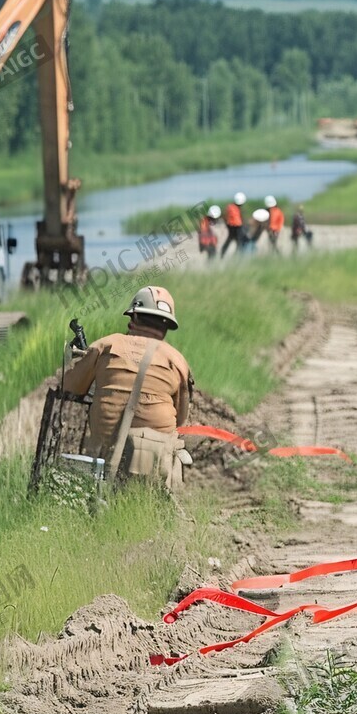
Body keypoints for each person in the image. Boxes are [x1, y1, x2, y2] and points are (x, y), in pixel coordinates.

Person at [63, 286, 194, 490]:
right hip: (154, 465)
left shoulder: (106, 345)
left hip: (103, 456)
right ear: (166, 326)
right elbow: (181, 418)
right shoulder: (176, 361)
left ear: (134, 318)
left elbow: (70, 387)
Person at [221, 192, 246, 258]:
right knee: (239, 242)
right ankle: (237, 257)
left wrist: (227, 224)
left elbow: (224, 216)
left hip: (230, 226)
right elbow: (239, 221)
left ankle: (222, 254)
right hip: (237, 227)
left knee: (229, 240)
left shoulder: (230, 206)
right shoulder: (237, 209)